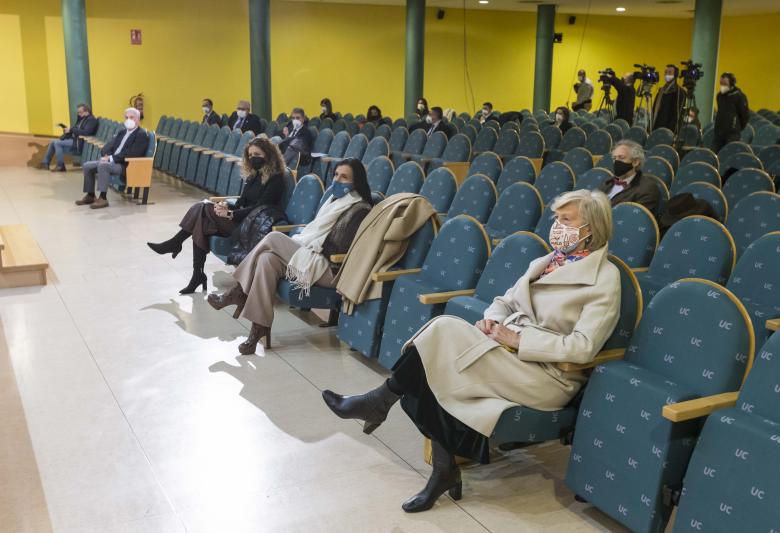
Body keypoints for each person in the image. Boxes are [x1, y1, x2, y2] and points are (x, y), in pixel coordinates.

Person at [322, 189, 620, 513]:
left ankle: (381, 402)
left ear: (590, 228)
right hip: (508, 353)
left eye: (566, 220)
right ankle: (440, 466)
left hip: (546, 376)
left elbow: (583, 346)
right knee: (435, 360)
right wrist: (491, 322)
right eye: (556, 218)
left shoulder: (604, 279)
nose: (557, 226)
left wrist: (521, 341)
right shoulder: (548, 262)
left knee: (442, 333)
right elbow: (505, 301)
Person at [207, 158, 373, 354]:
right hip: (311, 259)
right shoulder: (334, 200)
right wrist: (303, 243)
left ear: (357, 181)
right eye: (336, 175)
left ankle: (238, 291)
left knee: (275, 237)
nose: (337, 180)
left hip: (329, 270)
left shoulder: (360, 209)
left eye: (344, 177)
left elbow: (337, 249)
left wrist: (304, 243)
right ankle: (259, 326)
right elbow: (315, 231)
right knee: (266, 260)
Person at [147, 137, 286, 294]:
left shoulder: (275, 178)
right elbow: (241, 202)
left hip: (254, 226)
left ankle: (180, 250)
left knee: (203, 211)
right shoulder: (253, 176)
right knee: (203, 219)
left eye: (257, 154)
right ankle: (195, 272)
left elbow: (260, 207)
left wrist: (231, 214)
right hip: (242, 219)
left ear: (268, 154)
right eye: (251, 154)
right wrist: (225, 207)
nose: (254, 157)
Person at [75, 108, 148, 210]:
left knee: (103, 165)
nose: (128, 120)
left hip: (125, 165)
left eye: (132, 117)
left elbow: (133, 153)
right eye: (126, 118)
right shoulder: (122, 132)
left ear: (138, 120)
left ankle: (103, 197)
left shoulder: (141, 134)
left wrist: (111, 158)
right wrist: (107, 155)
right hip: (113, 161)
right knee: (87, 165)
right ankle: (90, 195)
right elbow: (109, 147)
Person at [599, 140, 661, 214]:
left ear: (635, 162)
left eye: (621, 158)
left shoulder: (647, 188)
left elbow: (632, 219)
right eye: (614, 158)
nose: (616, 162)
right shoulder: (608, 182)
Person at [41, 103, 98, 171]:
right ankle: (45, 163)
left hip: (80, 142)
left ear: (87, 112)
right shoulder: (82, 119)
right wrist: (68, 130)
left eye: (80, 112)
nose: (79, 114)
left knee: (57, 143)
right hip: (75, 140)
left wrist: (71, 130)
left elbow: (86, 132)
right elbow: (76, 129)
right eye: (78, 112)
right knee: (53, 141)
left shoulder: (91, 120)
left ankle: (60, 166)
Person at [712, 73, 749, 153]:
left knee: (728, 154)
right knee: (712, 155)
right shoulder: (719, 96)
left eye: (725, 84)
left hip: (732, 134)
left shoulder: (739, 96)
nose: (722, 86)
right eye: (721, 83)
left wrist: (735, 127)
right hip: (719, 133)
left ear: (732, 84)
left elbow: (744, 116)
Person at [653, 64, 687, 133]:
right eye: (666, 72)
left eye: (670, 72)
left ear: (675, 75)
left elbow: (678, 115)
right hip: (657, 126)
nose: (667, 74)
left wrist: (671, 132)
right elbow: (654, 109)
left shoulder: (679, 92)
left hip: (670, 130)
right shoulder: (661, 91)